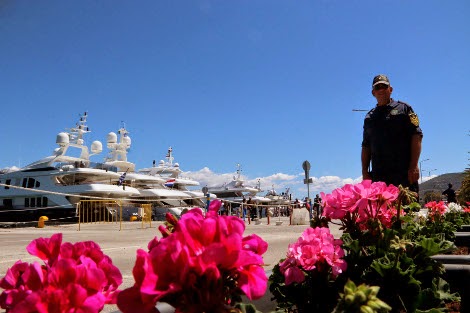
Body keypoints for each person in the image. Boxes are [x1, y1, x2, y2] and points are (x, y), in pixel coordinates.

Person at [361, 74, 423, 192]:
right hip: (379, 178)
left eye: (384, 86)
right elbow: (366, 146)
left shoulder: (404, 109)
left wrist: (414, 165)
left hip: (404, 175)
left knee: (409, 209)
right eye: (377, 87)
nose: (381, 90)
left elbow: (417, 136)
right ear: (373, 92)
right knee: (381, 210)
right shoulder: (369, 117)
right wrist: (364, 171)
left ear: (390, 89)